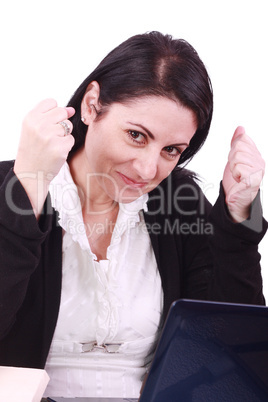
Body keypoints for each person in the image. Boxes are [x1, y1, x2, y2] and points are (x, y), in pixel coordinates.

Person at [0, 31, 267, 398]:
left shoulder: (180, 199)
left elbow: (231, 350)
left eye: (171, 150)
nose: (147, 170)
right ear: (92, 105)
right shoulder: (12, 189)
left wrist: (240, 219)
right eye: (137, 135)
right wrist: (27, 186)